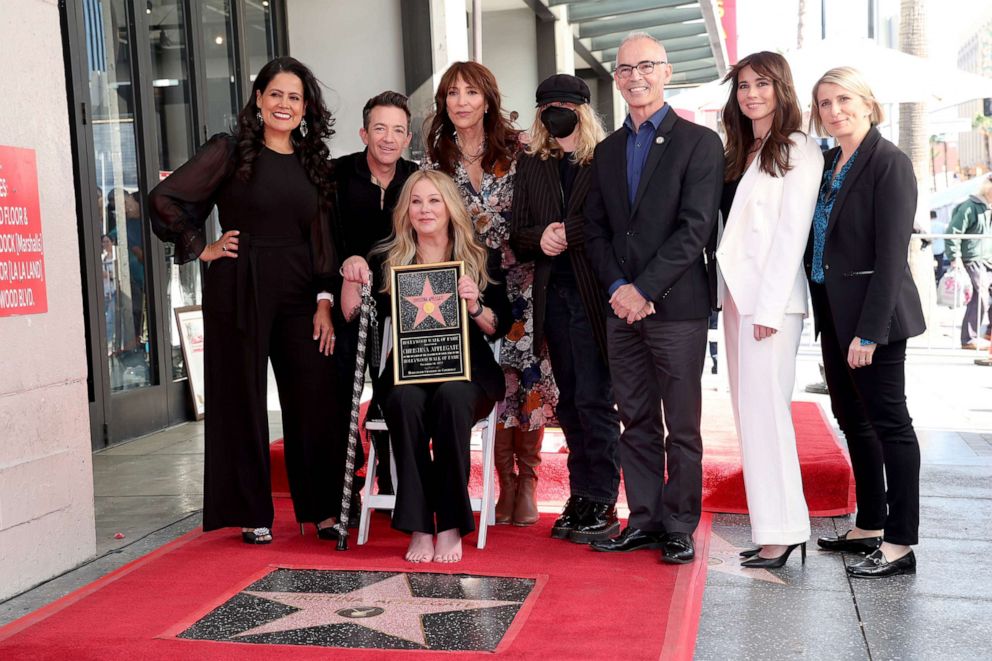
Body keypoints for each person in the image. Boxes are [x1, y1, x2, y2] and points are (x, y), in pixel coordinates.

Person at [149, 56, 343, 545]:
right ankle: (251, 512)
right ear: (258, 99)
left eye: (294, 97)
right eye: (275, 94)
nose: (284, 104)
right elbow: (164, 198)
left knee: (312, 395)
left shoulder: (313, 162)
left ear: (306, 108)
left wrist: (324, 301)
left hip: (301, 291)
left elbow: (322, 241)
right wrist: (202, 247)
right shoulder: (229, 151)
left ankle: (321, 509)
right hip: (239, 282)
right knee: (241, 399)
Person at [584, 33, 724, 564]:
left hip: (677, 308)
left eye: (646, 66)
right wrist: (620, 290)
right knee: (636, 419)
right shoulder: (607, 151)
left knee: (682, 426)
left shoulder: (700, 143)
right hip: (622, 310)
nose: (635, 76)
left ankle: (679, 525)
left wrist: (644, 289)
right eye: (625, 69)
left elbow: (695, 231)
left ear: (666, 73)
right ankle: (642, 519)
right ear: (616, 78)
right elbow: (594, 231)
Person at [340, 170, 512, 563]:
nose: (425, 209)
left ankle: (450, 523)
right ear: (406, 210)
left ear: (450, 207)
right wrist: (350, 269)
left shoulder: (480, 257)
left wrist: (474, 306)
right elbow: (353, 312)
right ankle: (419, 525)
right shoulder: (388, 257)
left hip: (468, 375)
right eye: (416, 201)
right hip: (409, 373)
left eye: (434, 200)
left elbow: (498, 324)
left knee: (451, 398)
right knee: (403, 402)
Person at [423, 61, 556, 527]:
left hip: (524, 279)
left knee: (529, 375)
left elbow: (544, 206)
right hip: (467, 285)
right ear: (444, 102)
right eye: (452, 93)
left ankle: (529, 480)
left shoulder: (520, 149)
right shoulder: (435, 158)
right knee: (490, 377)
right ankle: (502, 479)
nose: (461, 102)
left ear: (487, 99)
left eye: (471, 93)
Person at [805, 66, 925, 578]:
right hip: (833, 312)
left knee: (891, 424)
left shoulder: (888, 162)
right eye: (825, 103)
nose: (834, 110)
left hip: (874, 319)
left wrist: (870, 332)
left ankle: (900, 543)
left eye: (844, 99)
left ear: (868, 103)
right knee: (853, 419)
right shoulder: (829, 161)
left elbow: (892, 253)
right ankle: (870, 523)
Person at [715, 52, 823, 568]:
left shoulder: (799, 147)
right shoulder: (741, 149)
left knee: (769, 417)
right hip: (737, 298)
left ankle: (785, 530)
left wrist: (770, 307)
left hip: (770, 305)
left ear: (782, 87)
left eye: (762, 83)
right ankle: (773, 526)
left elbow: (791, 233)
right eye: (743, 85)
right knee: (750, 418)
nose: (751, 93)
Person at [510, 74, 621, 543]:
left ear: (583, 109)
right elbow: (517, 231)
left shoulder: (606, 158)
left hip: (595, 295)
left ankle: (603, 498)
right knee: (571, 402)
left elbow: (613, 220)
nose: (557, 111)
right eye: (548, 104)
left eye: (566, 104)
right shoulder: (532, 163)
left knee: (596, 399)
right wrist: (541, 237)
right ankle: (582, 494)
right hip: (553, 297)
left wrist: (566, 234)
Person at [333, 91, 418, 496]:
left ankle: (392, 477)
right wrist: (342, 269)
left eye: (398, 130)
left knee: (393, 391)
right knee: (340, 389)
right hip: (346, 301)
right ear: (364, 132)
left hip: (403, 304)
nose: (388, 138)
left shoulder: (417, 179)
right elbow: (320, 237)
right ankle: (346, 482)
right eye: (380, 128)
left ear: (408, 137)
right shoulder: (335, 176)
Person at [945, 177, 992, 349]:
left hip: (987, 259)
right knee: (980, 297)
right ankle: (968, 338)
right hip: (972, 259)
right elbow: (953, 232)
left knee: (985, 297)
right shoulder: (969, 207)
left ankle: (986, 333)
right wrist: (954, 257)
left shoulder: (987, 207)